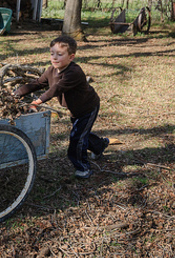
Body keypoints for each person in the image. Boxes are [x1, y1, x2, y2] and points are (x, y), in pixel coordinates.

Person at [14, 35, 109, 179]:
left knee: (77, 138)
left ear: (71, 57)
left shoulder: (74, 72)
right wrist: (16, 94)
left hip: (87, 108)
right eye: (52, 53)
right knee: (82, 134)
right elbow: (38, 83)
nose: (54, 57)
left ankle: (83, 168)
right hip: (75, 110)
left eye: (59, 54)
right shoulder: (51, 70)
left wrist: (36, 102)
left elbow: (56, 89)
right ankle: (100, 145)